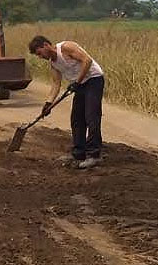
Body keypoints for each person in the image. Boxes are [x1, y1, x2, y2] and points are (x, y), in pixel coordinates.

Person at [28, 35, 105, 169]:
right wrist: (48, 104)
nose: (40, 57)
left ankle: (94, 155)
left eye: (40, 53)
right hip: (79, 84)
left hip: (94, 80)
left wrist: (77, 82)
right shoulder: (53, 63)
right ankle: (78, 153)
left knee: (91, 116)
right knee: (76, 119)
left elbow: (87, 60)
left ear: (46, 45)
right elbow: (56, 84)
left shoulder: (66, 47)